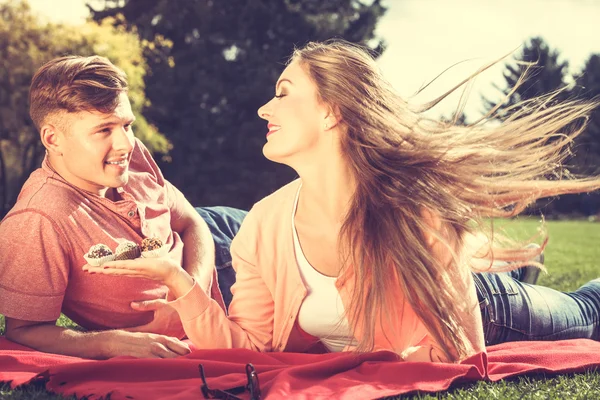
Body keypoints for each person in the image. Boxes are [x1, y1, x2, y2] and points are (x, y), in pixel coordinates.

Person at [86, 40, 600, 363]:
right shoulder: (263, 226)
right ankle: (512, 269)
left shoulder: (413, 209)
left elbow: (462, 355)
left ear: (332, 113)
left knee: (587, 310)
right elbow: (252, 351)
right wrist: (177, 281)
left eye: (284, 92)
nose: (265, 107)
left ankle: (510, 279)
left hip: (493, 311)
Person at [0, 55, 245, 359]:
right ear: (53, 139)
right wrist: (112, 342)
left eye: (127, 125)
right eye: (104, 130)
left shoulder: (129, 153)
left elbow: (193, 223)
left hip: (227, 237)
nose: (126, 144)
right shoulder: (38, 220)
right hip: (236, 291)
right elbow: (23, 329)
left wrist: (190, 296)